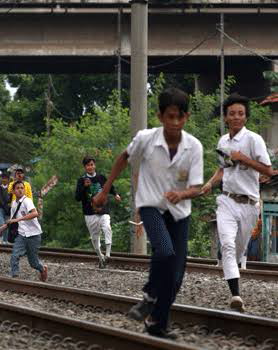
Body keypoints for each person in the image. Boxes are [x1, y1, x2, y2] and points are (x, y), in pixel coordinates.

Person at [92, 88, 203, 339]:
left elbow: (196, 187)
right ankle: (150, 295)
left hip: (180, 212)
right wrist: (105, 190)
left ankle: (157, 323)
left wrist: (182, 194)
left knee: (176, 276)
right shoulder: (146, 139)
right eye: (170, 116)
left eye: (180, 117)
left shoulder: (194, 147)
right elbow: (123, 158)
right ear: (160, 116)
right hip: (151, 206)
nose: (175, 122)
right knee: (164, 250)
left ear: (186, 117)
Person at [200, 93, 273, 312]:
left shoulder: (253, 140)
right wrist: (210, 183)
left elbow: (268, 170)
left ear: (246, 117)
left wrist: (244, 158)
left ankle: (228, 261)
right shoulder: (223, 141)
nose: (236, 117)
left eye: (240, 113)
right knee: (229, 245)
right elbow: (223, 168)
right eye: (232, 113)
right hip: (227, 200)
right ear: (225, 117)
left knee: (239, 250)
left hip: (249, 204)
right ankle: (236, 295)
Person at [75, 156, 121, 267]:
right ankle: (101, 257)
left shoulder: (101, 177)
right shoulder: (81, 180)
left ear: (94, 165)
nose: (90, 167)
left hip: (103, 210)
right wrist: (84, 187)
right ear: (85, 167)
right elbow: (77, 197)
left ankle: (108, 255)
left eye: (92, 164)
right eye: (88, 165)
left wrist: (115, 194)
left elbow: (109, 186)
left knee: (107, 227)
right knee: (95, 238)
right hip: (89, 213)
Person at [6, 181, 48, 281]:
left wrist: (18, 219)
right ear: (13, 191)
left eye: (22, 188)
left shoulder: (27, 201)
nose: (20, 190)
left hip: (34, 235)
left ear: (24, 190)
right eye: (17, 188)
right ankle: (14, 276)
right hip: (21, 234)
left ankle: (42, 268)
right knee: (15, 255)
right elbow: (12, 220)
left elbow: (35, 213)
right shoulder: (13, 204)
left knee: (33, 263)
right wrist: (1, 229)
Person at [0, 173, 11, 243]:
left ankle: (5, 240)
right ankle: (0, 237)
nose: (4, 180)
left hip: (8, 209)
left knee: (6, 224)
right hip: (0, 207)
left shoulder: (10, 189)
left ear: (8, 180)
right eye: (3, 178)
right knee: (1, 223)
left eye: (5, 178)